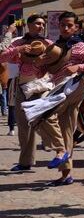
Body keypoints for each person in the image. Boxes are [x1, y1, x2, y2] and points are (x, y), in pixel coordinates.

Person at [32, 11, 84, 186]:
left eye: (70, 25)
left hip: (74, 86)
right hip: (58, 87)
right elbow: (43, 72)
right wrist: (39, 64)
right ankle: (66, 175)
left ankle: (60, 150)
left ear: (76, 27)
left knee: (41, 114)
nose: (66, 28)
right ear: (58, 26)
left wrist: (78, 66)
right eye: (63, 25)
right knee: (66, 130)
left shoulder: (80, 46)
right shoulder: (54, 46)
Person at [0, 15, 51, 171]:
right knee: (24, 125)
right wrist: (18, 50)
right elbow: (2, 56)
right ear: (29, 25)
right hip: (24, 86)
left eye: (43, 24)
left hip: (43, 86)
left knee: (47, 120)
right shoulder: (19, 43)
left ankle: (60, 153)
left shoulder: (48, 44)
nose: (41, 26)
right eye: (37, 23)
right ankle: (26, 161)